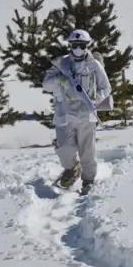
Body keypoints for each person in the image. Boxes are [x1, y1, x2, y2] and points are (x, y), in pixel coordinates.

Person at [43, 29, 113, 194]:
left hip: (86, 115)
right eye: (75, 45)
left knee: (87, 150)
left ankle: (88, 180)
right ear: (70, 45)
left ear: (87, 45)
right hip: (64, 114)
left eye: (81, 45)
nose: (78, 49)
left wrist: (95, 101)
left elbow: (106, 87)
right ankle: (71, 168)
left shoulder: (94, 65)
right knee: (64, 149)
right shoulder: (62, 64)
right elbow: (46, 84)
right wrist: (60, 80)